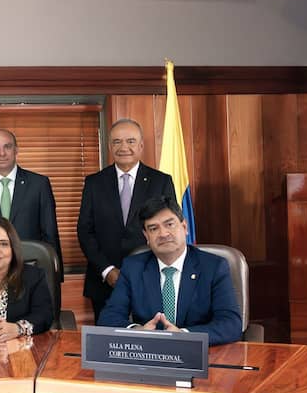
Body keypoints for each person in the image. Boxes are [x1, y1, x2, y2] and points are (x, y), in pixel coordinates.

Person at [98, 196, 242, 345]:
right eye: (154, 228)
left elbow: (230, 325)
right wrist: (137, 331)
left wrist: (184, 335)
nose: (163, 234)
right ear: (146, 236)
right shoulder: (133, 267)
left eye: (170, 224)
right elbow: (108, 317)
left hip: (198, 355)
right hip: (149, 354)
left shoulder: (213, 266)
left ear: (184, 227)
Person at [78, 118, 176, 320]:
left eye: (130, 141)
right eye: (117, 142)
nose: (124, 147)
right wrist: (107, 270)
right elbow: (85, 232)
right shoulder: (94, 183)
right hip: (104, 281)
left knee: (151, 340)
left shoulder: (161, 181)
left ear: (141, 146)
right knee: (109, 343)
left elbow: (169, 229)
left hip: (150, 277)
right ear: (109, 146)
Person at [0, 129, 62, 267]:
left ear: (16, 150)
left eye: (7, 147)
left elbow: (50, 233)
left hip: (31, 269)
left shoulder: (39, 184)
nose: (2, 153)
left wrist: (55, 274)